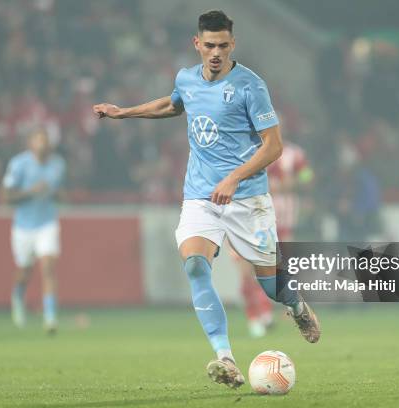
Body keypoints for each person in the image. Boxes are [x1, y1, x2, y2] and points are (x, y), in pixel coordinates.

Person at [93, 10, 320, 389]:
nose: (216, 52)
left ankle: (296, 306)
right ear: (197, 44)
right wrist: (124, 113)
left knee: (270, 286)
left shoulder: (250, 86)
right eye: (209, 45)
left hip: (248, 199)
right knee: (196, 265)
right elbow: (173, 104)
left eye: (223, 45)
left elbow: (274, 146)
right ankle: (225, 358)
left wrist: (234, 177)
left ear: (233, 45)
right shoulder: (186, 78)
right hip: (200, 196)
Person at [233, 140, 313, 338]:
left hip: (283, 223)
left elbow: (308, 175)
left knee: (280, 270)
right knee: (248, 271)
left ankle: (274, 312)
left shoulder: (293, 153)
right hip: (250, 221)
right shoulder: (245, 150)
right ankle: (256, 316)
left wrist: (296, 180)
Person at [2, 129, 66, 334]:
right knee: (25, 271)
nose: (43, 146)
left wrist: (58, 194)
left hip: (47, 223)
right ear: (31, 144)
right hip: (23, 227)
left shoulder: (58, 164)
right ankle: (18, 296)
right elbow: (6, 197)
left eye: (45, 142)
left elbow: (60, 193)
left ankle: (50, 318)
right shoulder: (18, 164)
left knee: (48, 267)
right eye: (39, 141)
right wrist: (31, 192)